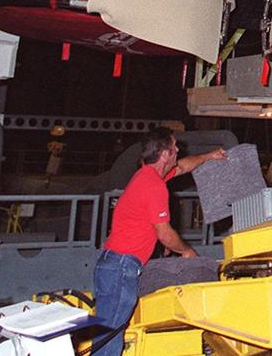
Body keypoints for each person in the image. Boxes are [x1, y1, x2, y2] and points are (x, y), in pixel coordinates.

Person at [92, 127, 226, 356]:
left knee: (109, 331)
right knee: (110, 336)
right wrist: (187, 252)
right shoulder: (153, 185)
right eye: (174, 148)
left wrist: (210, 156)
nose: (177, 151)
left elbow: (183, 166)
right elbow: (164, 232)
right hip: (121, 267)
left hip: (115, 264)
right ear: (165, 154)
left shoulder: (148, 175)